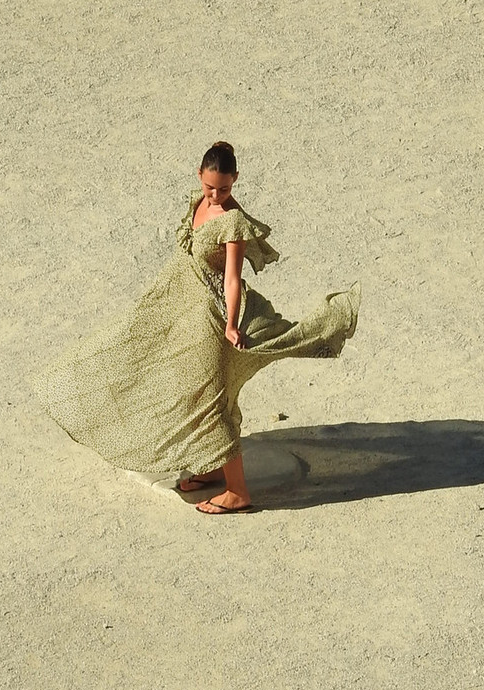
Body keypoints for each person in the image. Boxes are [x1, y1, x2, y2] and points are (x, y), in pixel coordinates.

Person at [35, 141, 360, 514]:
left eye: (224, 187)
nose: (217, 194)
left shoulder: (233, 222)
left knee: (206, 400)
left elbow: (233, 279)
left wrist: (233, 324)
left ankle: (237, 491)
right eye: (210, 187)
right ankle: (211, 467)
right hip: (180, 310)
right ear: (199, 177)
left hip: (211, 318)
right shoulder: (199, 202)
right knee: (158, 372)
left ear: (235, 179)